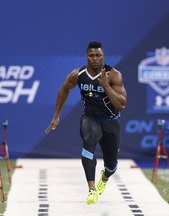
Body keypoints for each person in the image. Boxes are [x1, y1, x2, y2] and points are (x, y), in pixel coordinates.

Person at [45, 41, 127, 204]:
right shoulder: (78, 74)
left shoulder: (113, 75)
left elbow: (122, 104)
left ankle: (103, 180)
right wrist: (56, 115)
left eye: (98, 55)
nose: (95, 59)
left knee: (111, 166)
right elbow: (64, 89)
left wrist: (106, 86)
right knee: (88, 142)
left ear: (103, 56)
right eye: (91, 55)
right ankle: (91, 190)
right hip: (91, 119)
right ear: (86, 57)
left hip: (111, 122)